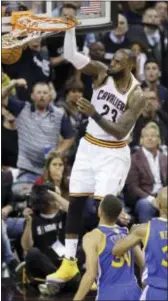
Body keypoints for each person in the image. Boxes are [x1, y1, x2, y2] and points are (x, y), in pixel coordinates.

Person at [46, 21, 145, 283]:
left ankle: (121, 258)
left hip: (113, 152)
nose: (112, 64)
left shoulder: (137, 95)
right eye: (113, 60)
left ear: (130, 66)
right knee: (76, 202)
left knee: (106, 208)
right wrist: (69, 28)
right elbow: (71, 56)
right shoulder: (101, 73)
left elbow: (119, 130)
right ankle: (69, 262)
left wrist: (95, 114)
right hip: (89, 146)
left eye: (119, 62)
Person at [73, 195, 144, 300]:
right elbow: (143, 263)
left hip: (110, 293)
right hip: (134, 292)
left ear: (100, 211)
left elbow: (90, 275)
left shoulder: (92, 237)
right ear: (118, 214)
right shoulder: (127, 233)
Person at [2, 80, 74, 181]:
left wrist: (59, 151)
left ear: (49, 96)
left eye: (45, 93)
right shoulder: (22, 108)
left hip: (48, 171)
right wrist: (13, 84)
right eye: (39, 92)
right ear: (32, 96)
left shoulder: (59, 114)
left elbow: (69, 137)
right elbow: (2, 98)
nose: (42, 96)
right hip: (26, 169)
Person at [113, 187, 168, 301]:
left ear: (157, 204)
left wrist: (133, 236)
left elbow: (116, 250)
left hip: (156, 292)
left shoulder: (144, 230)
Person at [126, 123, 167, 222]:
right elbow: (132, 187)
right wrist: (151, 199)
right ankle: (147, 236)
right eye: (146, 136)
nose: (150, 138)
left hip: (164, 195)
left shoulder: (165, 158)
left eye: (153, 136)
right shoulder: (134, 159)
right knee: (145, 205)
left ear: (158, 140)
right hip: (144, 197)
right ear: (141, 140)